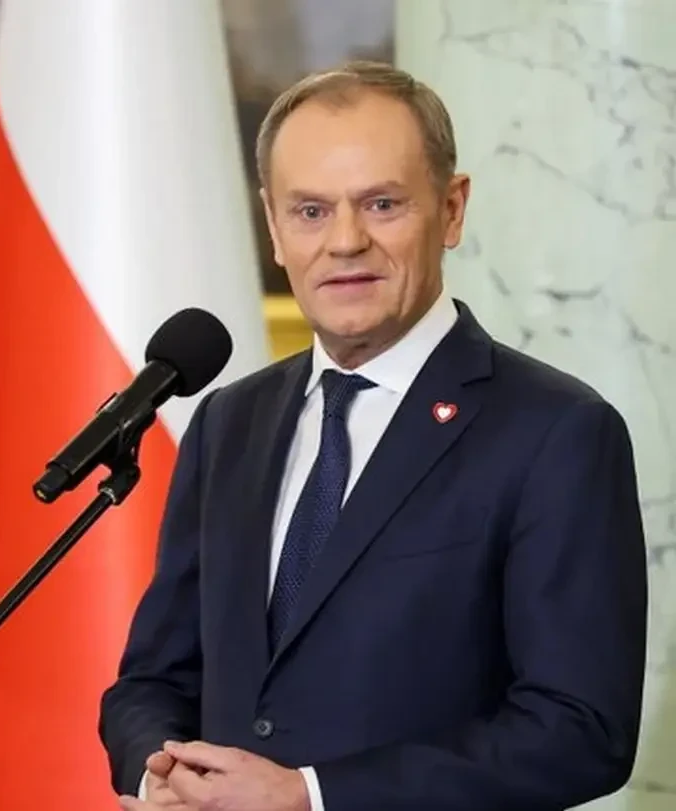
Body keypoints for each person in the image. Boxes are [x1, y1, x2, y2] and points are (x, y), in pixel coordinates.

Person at [101, 60, 649, 811]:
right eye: (310, 211)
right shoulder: (228, 422)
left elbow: (580, 731)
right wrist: (158, 772)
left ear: (451, 210)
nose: (345, 241)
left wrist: (313, 795)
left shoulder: (557, 432)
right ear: (274, 228)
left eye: (382, 204)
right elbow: (153, 680)